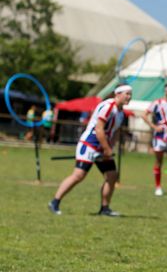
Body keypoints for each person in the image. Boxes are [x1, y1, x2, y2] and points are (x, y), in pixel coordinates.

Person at [48, 85, 132, 216]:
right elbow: (99, 129)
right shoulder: (108, 107)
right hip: (89, 145)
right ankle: (55, 202)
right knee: (79, 175)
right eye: (127, 94)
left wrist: (109, 148)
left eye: (130, 94)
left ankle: (105, 208)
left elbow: (115, 132)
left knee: (112, 175)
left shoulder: (121, 112)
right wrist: (106, 148)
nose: (129, 97)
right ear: (118, 94)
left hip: (103, 147)